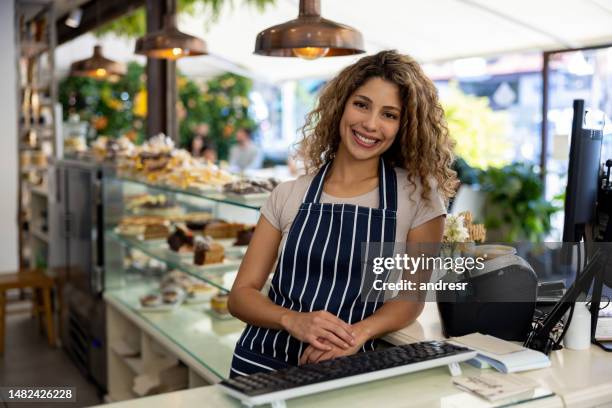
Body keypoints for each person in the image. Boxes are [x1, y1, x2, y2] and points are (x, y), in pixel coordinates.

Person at [227, 50, 457, 377]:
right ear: (341, 106)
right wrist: (293, 320)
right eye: (362, 105)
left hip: (349, 364)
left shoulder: (418, 198)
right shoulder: (288, 194)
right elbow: (240, 296)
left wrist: (354, 335)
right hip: (262, 363)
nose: (370, 124)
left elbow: (410, 299)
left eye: (389, 114)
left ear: (404, 126)